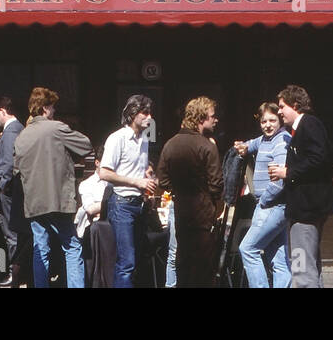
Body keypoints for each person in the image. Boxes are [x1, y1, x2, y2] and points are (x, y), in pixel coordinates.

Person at [12, 86, 92, 289]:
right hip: (58, 200)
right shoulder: (56, 128)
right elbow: (85, 144)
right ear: (45, 108)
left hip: (34, 203)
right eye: (53, 107)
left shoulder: (22, 136)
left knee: (41, 249)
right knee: (72, 247)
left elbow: (16, 169)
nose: (54, 111)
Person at [268, 84, 333, 289]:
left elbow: (321, 157)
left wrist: (288, 172)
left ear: (295, 105)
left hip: (306, 209)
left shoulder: (309, 123)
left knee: (301, 264)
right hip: (308, 206)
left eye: (282, 106)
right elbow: (328, 157)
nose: (279, 111)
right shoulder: (304, 127)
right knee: (309, 263)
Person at [157, 97, 224, 288]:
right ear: (201, 118)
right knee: (203, 268)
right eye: (212, 116)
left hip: (181, 212)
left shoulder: (170, 144)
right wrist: (211, 201)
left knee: (183, 263)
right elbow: (216, 184)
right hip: (203, 215)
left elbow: (162, 179)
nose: (216, 119)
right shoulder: (207, 146)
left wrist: (177, 191)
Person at [99, 94, 156, 289]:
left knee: (138, 259)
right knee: (127, 262)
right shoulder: (117, 138)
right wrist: (136, 182)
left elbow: (138, 169)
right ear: (133, 114)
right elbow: (104, 172)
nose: (150, 117)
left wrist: (147, 175)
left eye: (150, 113)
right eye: (145, 113)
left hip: (139, 204)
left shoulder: (144, 139)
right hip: (122, 204)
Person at [233, 102, 292, 288]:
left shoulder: (281, 141)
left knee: (248, 249)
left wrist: (264, 200)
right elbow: (252, 144)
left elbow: (280, 179)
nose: (268, 125)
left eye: (272, 120)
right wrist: (243, 147)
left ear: (280, 120)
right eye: (264, 121)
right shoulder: (266, 140)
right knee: (279, 258)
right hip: (274, 206)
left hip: (272, 205)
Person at [0, 95, 27, 287]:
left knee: (12, 233)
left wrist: (3, 188)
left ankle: (16, 274)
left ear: (3, 111)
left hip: (8, 192)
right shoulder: (17, 130)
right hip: (12, 190)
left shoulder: (11, 131)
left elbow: (7, 165)